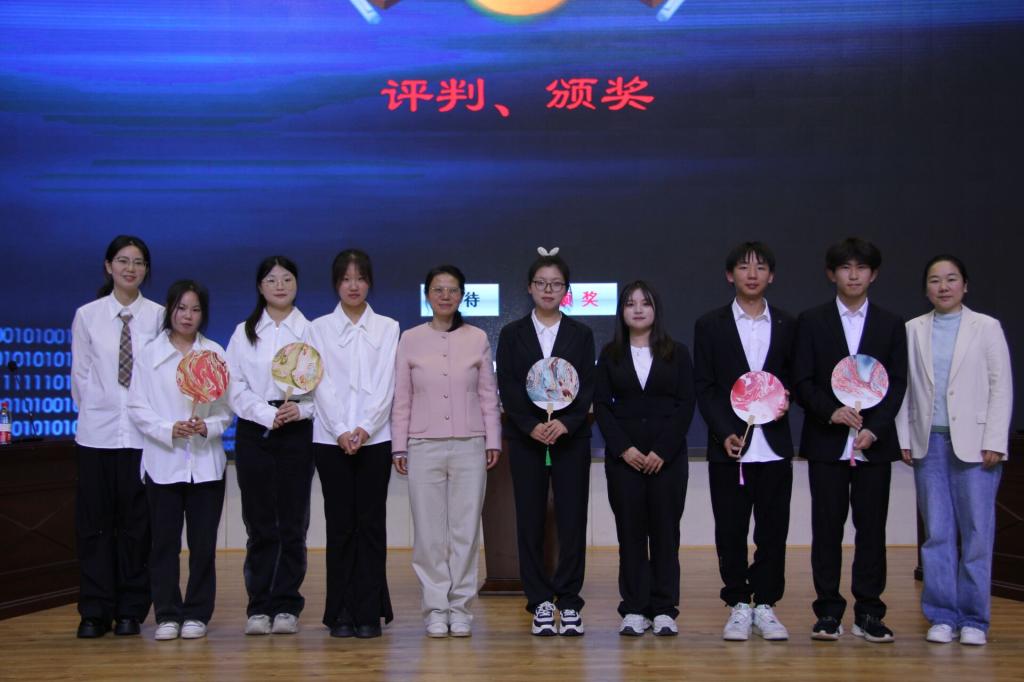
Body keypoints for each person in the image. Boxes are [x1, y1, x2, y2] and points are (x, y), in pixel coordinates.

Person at [792, 237, 907, 643]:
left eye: (861, 268)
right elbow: (802, 380)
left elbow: (897, 384)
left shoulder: (891, 323)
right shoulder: (812, 321)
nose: (853, 275)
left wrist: (875, 428)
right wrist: (831, 412)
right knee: (827, 529)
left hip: (874, 443)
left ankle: (870, 612)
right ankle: (827, 611)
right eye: (845, 267)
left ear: (873, 274)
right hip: (827, 441)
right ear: (831, 274)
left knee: (871, 530)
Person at [896, 255, 1012, 646]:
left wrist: (995, 439)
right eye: (935, 280)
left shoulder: (986, 327)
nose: (943, 287)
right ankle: (942, 615)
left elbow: (1000, 385)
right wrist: (905, 436)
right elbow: (905, 388)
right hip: (929, 442)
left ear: (965, 285)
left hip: (976, 446)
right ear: (925, 288)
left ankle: (975, 619)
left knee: (977, 533)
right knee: (937, 534)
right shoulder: (913, 329)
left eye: (951, 279)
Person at [391, 265, 502, 638]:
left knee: (465, 531)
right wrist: (399, 445)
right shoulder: (410, 338)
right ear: (428, 295)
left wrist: (492, 440)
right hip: (423, 444)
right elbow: (402, 396)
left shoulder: (477, 338)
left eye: (452, 290)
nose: (445, 296)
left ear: (461, 296)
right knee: (429, 535)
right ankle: (436, 608)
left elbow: (487, 394)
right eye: (438, 289)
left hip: (470, 444)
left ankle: (460, 608)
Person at [694, 242, 797, 642]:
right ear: (729, 275)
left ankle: (766, 603)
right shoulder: (710, 324)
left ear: (772, 275)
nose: (752, 274)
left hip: (773, 446)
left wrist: (787, 399)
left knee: (773, 529)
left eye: (760, 267)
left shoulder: (788, 323)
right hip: (731, 448)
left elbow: (795, 379)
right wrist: (724, 433)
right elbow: (705, 387)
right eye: (743, 267)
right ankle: (738, 602)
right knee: (731, 530)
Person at [496, 249, 596, 636]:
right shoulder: (512, 334)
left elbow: (588, 385)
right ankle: (539, 601)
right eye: (541, 283)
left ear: (565, 290)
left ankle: (569, 602)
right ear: (529, 288)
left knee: (572, 521)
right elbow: (507, 384)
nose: (548, 289)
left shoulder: (581, 334)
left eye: (556, 284)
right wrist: (529, 426)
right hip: (528, 441)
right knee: (530, 521)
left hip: (570, 439)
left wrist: (567, 424)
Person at [128, 280, 232, 641]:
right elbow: (137, 407)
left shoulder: (214, 353)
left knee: (203, 547)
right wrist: (168, 429)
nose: (188, 316)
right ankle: (167, 614)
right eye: (181, 308)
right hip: (163, 464)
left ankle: (197, 614)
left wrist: (207, 426)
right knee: (164, 545)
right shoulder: (149, 354)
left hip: (206, 466)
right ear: (170, 310)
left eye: (196, 309)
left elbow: (225, 411)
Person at [71, 235, 163, 638]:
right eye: (123, 261)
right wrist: (99, 411)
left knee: (137, 528)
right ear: (108, 266)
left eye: (138, 262)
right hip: (97, 436)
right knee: (95, 526)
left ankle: (131, 609)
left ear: (146, 270)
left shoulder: (160, 317)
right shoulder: (88, 316)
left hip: (143, 439)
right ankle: (94, 610)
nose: (130, 268)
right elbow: (80, 376)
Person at [594, 280, 694, 637]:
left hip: (668, 460)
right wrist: (625, 449)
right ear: (621, 312)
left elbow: (686, 404)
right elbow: (602, 406)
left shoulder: (677, 352)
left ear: (656, 310)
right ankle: (635, 608)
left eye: (645, 303)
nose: (638, 309)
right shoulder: (610, 354)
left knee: (666, 533)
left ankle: (665, 608)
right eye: (630, 303)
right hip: (626, 461)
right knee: (631, 533)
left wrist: (662, 451)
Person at [310, 249, 399, 639]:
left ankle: (369, 612)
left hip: (375, 440)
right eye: (346, 279)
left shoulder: (388, 327)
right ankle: (341, 612)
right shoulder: (318, 329)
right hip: (330, 441)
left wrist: (363, 428)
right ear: (336, 284)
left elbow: (386, 385)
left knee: (371, 525)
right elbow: (319, 383)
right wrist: (341, 430)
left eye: (360, 278)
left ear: (369, 283)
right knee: (340, 526)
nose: (353, 286)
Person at [226, 256, 316, 636]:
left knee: (293, 522)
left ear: (297, 284)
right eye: (271, 279)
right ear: (260, 287)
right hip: (255, 430)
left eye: (287, 279)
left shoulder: (311, 330)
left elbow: (326, 387)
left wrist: (302, 409)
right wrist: (266, 414)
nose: (280, 286)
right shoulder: (243, 332)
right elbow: (233, 386)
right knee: (260, 523)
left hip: (296, 429)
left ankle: (287, 605)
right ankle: (259, 606)